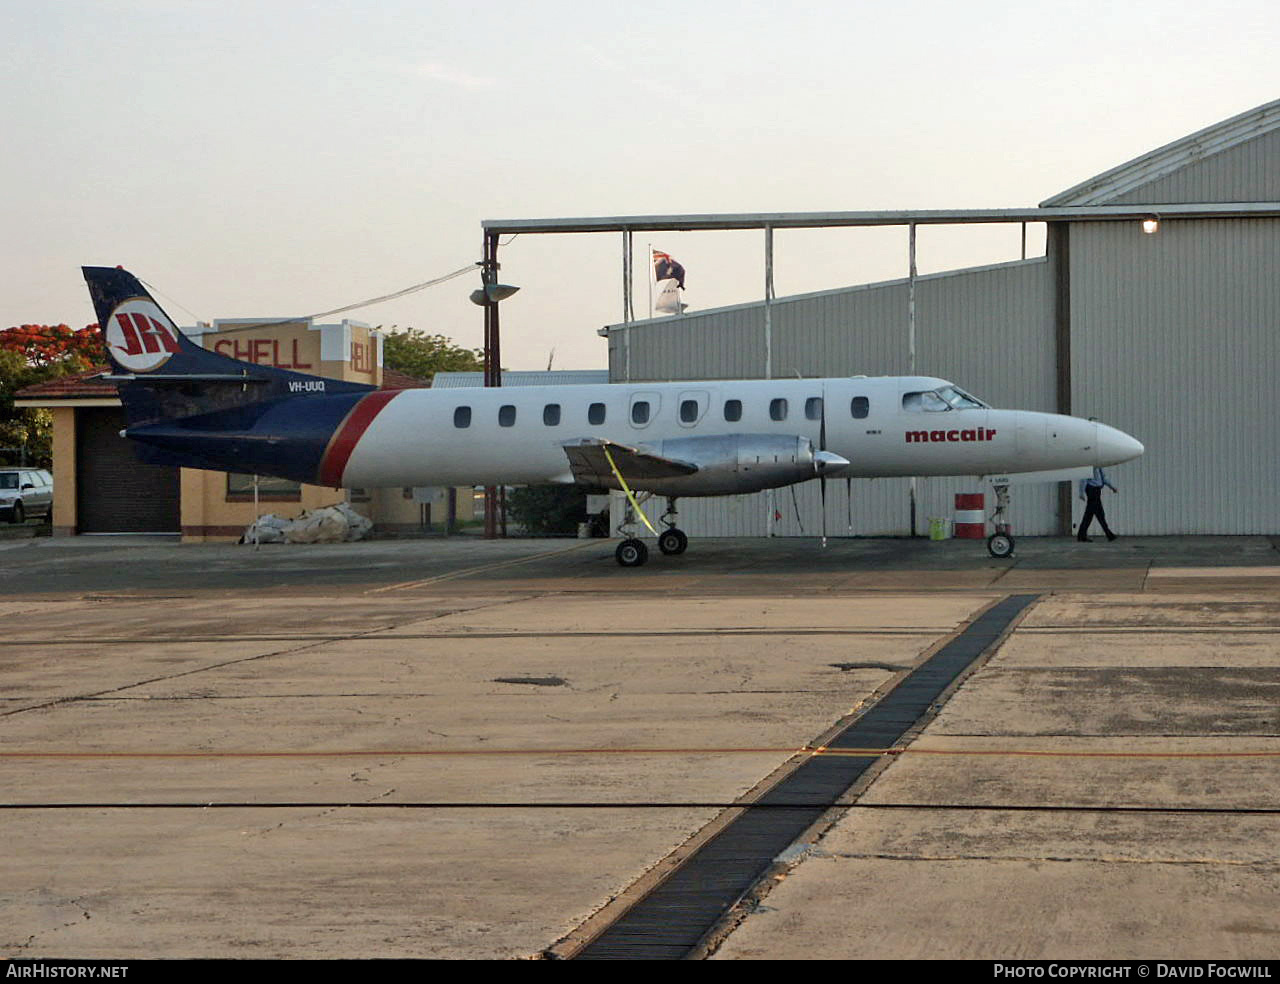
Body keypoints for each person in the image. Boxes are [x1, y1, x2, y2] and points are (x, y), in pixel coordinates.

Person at [1077, 466, 1118, 542]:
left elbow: (1103, 478)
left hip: (1096, 490)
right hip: (1092, 490)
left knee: (1089, 514)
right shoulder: (1090, 466)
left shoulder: (1099, 466)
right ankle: (1109, 534)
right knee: (1099, 513)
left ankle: (1081, 535)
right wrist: (1081, 493)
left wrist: (1112, 487)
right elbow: (1084, 479)